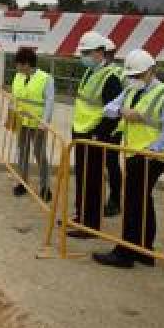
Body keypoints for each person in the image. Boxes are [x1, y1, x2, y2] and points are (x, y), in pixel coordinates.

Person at [91, 49, 164, 268]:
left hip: (153, 155)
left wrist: (149, 152)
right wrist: (124, 112)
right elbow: (108, 109)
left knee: (134, 201)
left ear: (152, 71)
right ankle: (144, 250)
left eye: (138, 75)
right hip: (135, 154)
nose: (134, 80)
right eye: (131, 76)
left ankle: (125, 253)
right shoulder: (131, 90)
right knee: (142, 200)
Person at [68, 32, 124, 237]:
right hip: (81, 131)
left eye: (87, 52)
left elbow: (114, 114)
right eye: (83, 52)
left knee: (92, 180)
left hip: (95, 135)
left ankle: (90, 225)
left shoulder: (111, 79)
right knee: (82, 177)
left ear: (100, 53)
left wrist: (98, 135)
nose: (83, 56)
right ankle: (80, 217)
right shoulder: (90, 72)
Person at [11, 46, 54, 201]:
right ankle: (22, 182)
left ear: (27, 64)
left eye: (19, 64)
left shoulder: (46, 78)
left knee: (39, 154)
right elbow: (15, 97)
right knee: (22, 152)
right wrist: (12, 113)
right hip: (22, 122)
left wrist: (45, 121)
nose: (17, 67)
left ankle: (45, 187)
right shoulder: (18, 76)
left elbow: (49, 102)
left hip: (38, 124)